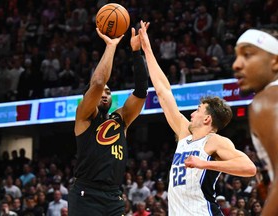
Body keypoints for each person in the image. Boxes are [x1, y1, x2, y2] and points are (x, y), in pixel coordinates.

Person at [138, 20, 256, 216]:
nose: (192, 113)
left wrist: (206, 164)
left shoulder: (215, 141)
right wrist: (147, 49)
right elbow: (163, 92)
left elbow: (249, 168)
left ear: (208, 119)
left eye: (198, 109)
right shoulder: (185, 133)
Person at [68, 24, 149, 216]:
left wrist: (136, 52)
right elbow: (97, 83)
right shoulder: (84, 116)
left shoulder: (121, 118)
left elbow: (141, 91)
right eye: (101, 92)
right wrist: (111, 45)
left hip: (114, 196)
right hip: (86, 194)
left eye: (109, 91)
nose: (105, 94)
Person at [232, 28, 278, 216]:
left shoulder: (266, 100)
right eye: (236, 56)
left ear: (275, 61)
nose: (236, 64)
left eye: (248, 54)